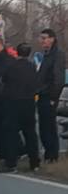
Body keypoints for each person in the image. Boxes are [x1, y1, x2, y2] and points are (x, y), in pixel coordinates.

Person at [0, 43, 40, 173]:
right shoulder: (33, 67)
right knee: (30, 133)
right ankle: (34, 162)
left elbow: (2, 81)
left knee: (11, 133)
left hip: (13, 102)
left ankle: (11, 163)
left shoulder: (11, 66)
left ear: (17, 52)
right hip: (29, 103)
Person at [36, 28, 65, 163]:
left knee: (49, 127)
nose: (42, 41)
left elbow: (58, 78)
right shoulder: (46, 55)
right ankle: (48, 153)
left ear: (52, 39)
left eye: (44, 38)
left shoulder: (57, 55)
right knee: (43, 126)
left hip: (49, 95)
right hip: (42, 94)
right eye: (41, 38)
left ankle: (52, 155)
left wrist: (54, 97)